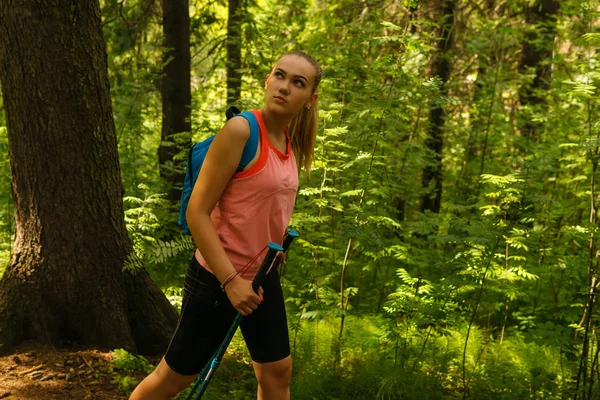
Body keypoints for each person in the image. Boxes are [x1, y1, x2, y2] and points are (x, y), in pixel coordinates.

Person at [129, 50, 322, 400]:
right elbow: (197, 213)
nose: (285, 87)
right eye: (279, 76)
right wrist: (231, 282)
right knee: (173, 378)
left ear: (310, 99)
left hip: (262, 277)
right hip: (218, 279)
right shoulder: (241, 130)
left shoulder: (290, 142)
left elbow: (263, 206)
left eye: (298, 83)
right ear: (267, 80)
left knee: (277, 372)